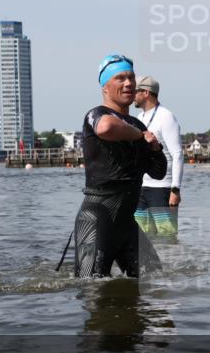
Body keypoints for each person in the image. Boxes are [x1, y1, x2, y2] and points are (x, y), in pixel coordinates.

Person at [73, 54, 166, 278]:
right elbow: (106, 128)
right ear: (105, 86)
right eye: (120, 78)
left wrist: (155, 148)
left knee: (154, 280)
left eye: (131, 78)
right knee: (92, 289)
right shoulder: (96, 115)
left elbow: (158, 172)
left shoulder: (138, 124)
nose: (129, 84)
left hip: (127, 224)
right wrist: (139, 136)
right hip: (97, 219)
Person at [133, 75, 183, 240]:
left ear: (146, 92)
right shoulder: (139, 118)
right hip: (140, 189)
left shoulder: (166, 116)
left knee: (167, 238)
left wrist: (175, 189)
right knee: (141, 238)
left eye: (135, 91)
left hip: (162, 189)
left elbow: (177, 154)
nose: (131, 94)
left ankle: (172, 266)